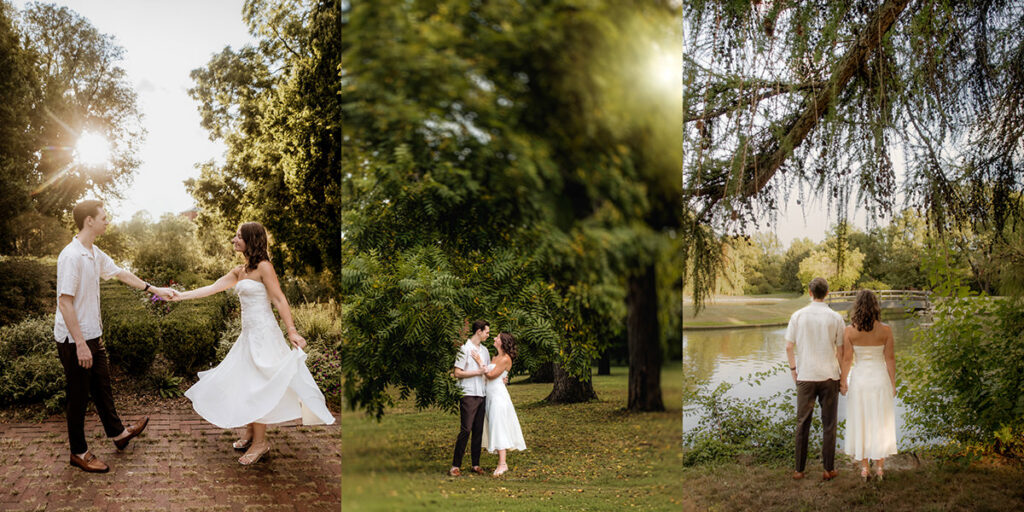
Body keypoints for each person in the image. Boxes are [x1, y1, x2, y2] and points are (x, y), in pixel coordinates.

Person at [173, 221, 335, 465]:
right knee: (246, 382)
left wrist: (291, 330)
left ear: (251, 239)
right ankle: (251, 432)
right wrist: (179, 296)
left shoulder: (264, 267)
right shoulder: (240, 271)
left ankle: (261, 443)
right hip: (248, 337)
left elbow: (279, 299)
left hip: (264, 336)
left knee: (258, 385)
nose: (234, 240)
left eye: (238, 236)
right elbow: (212, 288)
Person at [55, 200, 172, 473]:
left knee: (103, 388)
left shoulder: (93, 252)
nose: (108, 221)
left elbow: (120, 273)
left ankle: (118, 434)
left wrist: (154, 289)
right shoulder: (71, 256)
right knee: (79, 397)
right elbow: (64, 303)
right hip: (75, 341)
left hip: (93, 336)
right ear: (89, 221)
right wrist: (81, 344)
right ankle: (79, 452)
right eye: (104, 217)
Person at [785, 277, 845, 481]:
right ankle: (828, 469)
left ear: (810, 293)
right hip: (829, 376)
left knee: (802, 423)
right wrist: (843, 376)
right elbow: (840, 351)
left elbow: (788, 346)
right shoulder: (836, 318)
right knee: (829, 423)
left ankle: (799, 470)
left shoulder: (798, 316)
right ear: (826, 294)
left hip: (806, 375)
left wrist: (794, 369)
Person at [840, 289, 898, 481]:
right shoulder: (886, 330)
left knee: (862, 420)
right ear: (876, 307)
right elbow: (889, 359)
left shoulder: (849, 331)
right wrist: (893, 384)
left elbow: (847, 360)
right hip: (880, 379)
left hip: (860, 380)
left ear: (857, 306)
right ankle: (879, 467)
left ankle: (865, 468)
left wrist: (843, 381)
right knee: (879, 420)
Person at [471, 332, 526, 476]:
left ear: (502, 342)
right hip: (489, 395)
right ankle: (501, 461)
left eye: (497, 337)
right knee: (494, 425)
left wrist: (479, 361)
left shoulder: (505, 359)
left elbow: (490, 375)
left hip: (498, 397)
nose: (494, 339)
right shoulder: (495, 357)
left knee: (499, 426)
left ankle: (503, 464)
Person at [448, 320, 491, 476]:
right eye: (487, 332)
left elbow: (486, 371)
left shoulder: (485, 351)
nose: (488, 335)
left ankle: (475, 464)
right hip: (468, 393)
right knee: (466, 429)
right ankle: (455, 466)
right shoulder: (464, 349)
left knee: (478, 430)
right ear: (478, 331)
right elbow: (457, 373)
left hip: (482, 394)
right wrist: (477, 372)